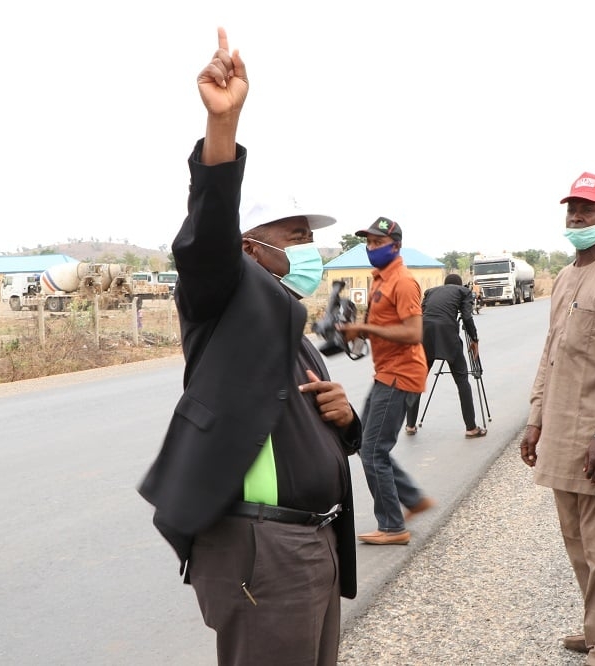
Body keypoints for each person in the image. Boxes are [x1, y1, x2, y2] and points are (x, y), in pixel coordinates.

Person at [137, 29, 362, 665]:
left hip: (312, 545)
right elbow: (206, 237)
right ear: (248, 244)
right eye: (290, 235)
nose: (305, 247)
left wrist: (345, 423)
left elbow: (302, 426)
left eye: (306, 236)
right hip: (262, 551)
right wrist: (223, 125)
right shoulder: (221, 299)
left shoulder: (292, 327)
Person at [519, 172, 595, 666]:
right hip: (560, 435)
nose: (576, 216)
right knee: (578, 547)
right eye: (572, 208)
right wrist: (534, 421)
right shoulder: (566, 275)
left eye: (587, 209)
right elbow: (551, 354)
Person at [339, 217, 434, 545]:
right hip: (386, 373)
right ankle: (413, 499)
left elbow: (413, 332)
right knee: (367, 444)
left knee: (372, 451)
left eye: (378, 243)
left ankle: (393, 527)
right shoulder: (379, 279)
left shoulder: (404, 282)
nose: (371, 248)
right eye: (369, 243)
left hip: (400, 375)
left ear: (396, 245)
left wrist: (365, 330)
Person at [404, 273, 486, 438]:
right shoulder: (463, 292)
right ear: (460, 284)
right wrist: (474, 339)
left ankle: (410, 425)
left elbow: (420, 313)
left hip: (424, 333)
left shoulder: (431, 291)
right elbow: (467, 317)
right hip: (447, 335)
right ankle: (471, 428)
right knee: (462, 380)